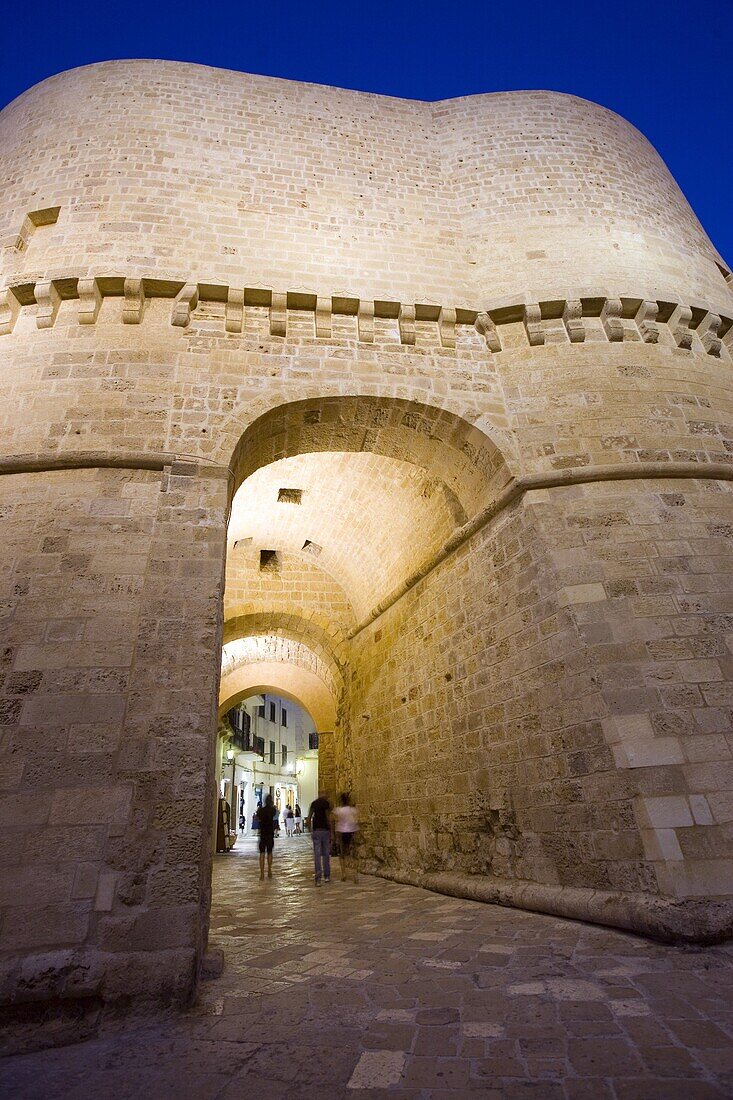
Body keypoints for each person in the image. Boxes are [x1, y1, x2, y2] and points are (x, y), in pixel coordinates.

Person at [306, 791, 332, 885]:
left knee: (317, 855)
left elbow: (309, 817)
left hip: (316, 830)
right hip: (325, 830)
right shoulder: (326, 804)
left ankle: (318, 878)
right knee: (326, 853)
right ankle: (327, 876)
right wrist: (331, 831)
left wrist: (310, 830)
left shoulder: (314, 804)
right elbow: (328, 817)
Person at [332, 792, 359, 882]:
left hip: (342, 832)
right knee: (352, 853)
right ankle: (355, 875)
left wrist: (334, 834)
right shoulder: (353, 810)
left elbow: (334, 820)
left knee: (342, 853)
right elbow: (355, 820)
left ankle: (344, 874)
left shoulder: (338, 810)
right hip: (351, 832)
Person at [255, 794, 277, 880]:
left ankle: (261, 873)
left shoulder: (261, 810)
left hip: (263, 833)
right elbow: (274, 815)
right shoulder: (272, 810)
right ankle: (269, 870)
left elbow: (257, 818)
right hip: (270, 833)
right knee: (270, 852)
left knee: (262, 853)